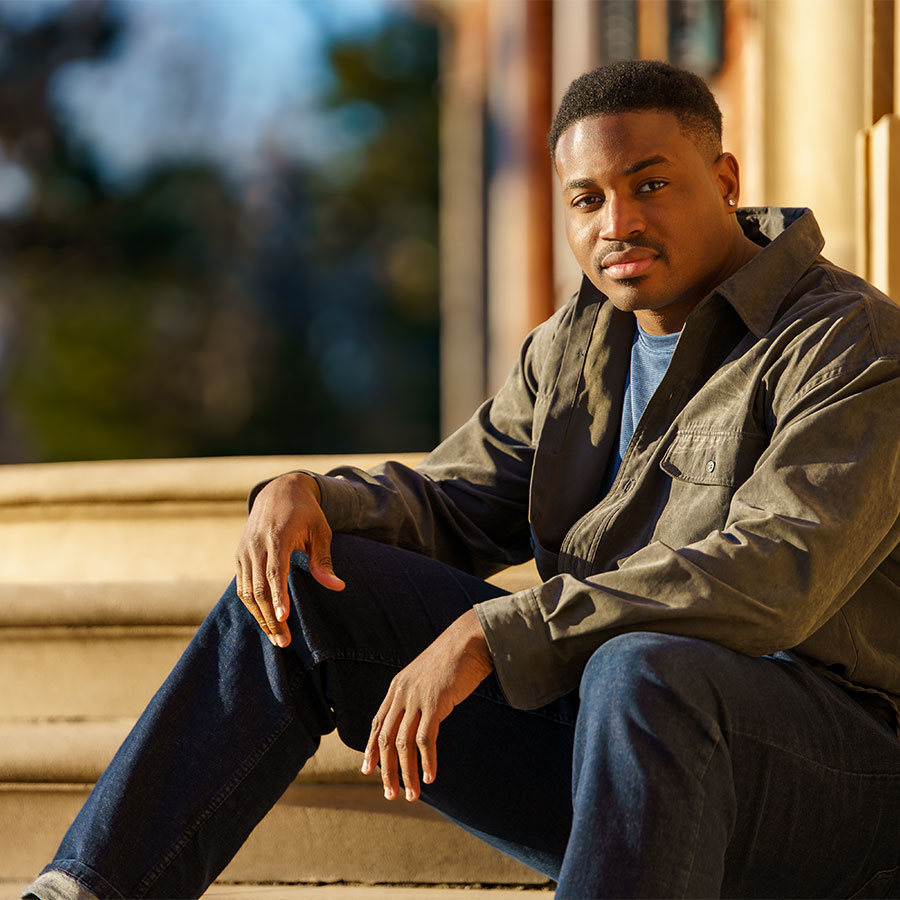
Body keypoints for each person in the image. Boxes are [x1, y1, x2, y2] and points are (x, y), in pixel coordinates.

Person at [25, 59, 900, 900]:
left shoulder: (845, 340)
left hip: (826, 781)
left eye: (651, 184)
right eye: (586, 198)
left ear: (726, 179)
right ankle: (89, 891)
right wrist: (313, 496)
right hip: (618, 753)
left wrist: (494, 631)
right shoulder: (578, 344)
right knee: (308, 579)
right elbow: (453, 498)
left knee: (646, 669)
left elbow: (772, 576)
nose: (617, 222)